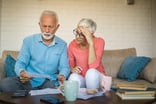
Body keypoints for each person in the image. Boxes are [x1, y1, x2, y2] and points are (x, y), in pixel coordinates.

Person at [0, 10, 70, 92]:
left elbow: (64, 67)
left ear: (57, 27)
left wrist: (62, 75)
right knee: (5, 84)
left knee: (53, 89)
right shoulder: (28, 41)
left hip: (48, 82)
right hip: (28, 81)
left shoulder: (62, 45)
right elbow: (20, 63)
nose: (47, 30)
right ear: (39, 25)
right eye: (44, 26)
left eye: (50, 27)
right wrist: (21, 72)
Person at [68, 18, 110, 93]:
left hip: (96, 77)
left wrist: (91, 43)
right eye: (77, 32)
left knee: (91, 73)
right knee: (73, 77)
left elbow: (93, 66)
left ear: (91, 34)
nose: (77, 36)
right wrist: (72, 69)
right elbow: (70, 65)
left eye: (82, 34)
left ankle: (93, 99)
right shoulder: (72, 44)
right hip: (82, 78)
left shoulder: (99, 41)